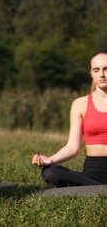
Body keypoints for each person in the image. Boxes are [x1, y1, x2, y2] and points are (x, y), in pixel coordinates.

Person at [32, 50, 107, 187]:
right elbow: (72, 147)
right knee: (51, 173)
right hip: (92, 173)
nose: (102, 74)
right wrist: (50, 160)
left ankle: (96, 189)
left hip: (91, 182)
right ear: (91, 73)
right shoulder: (80, 104)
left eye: (106, 69)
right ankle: (97, 187)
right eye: (96, 70)